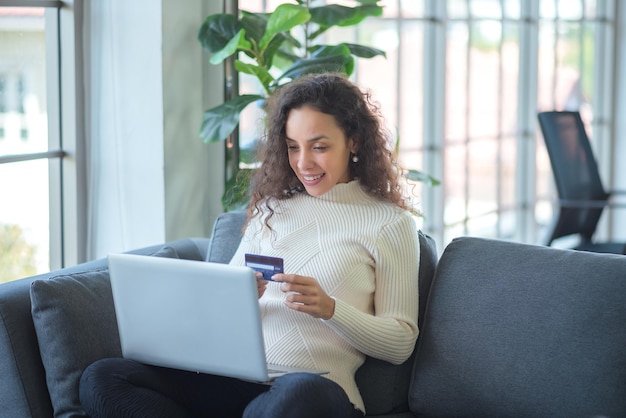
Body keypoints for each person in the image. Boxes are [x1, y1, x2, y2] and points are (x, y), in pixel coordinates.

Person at [79, 72, 421, 418]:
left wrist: (331, 309)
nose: (303, 162)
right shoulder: (270, 210)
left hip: (311, 390)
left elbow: (401, 342)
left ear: (354, 141)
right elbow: (217, 302)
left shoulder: (389, 223)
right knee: (104, 377)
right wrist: (236, 296)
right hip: (233, 383)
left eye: (319, 146)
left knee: (297, 392)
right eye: (292, 147)